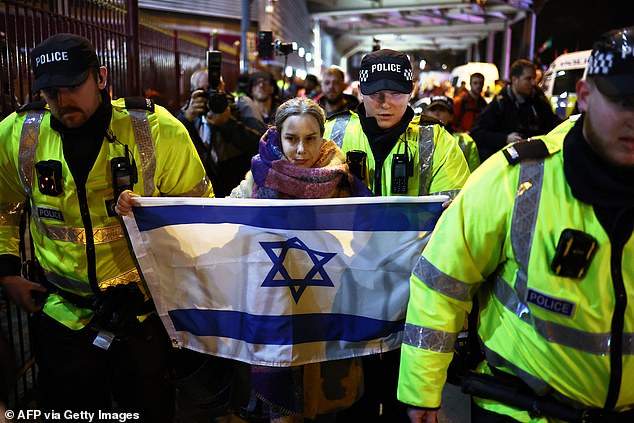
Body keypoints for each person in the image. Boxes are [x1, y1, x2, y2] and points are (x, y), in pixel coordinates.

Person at [398, 26, 634, 423]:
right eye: (624, 101)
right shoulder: (514, 179)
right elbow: (441, 282)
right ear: (586, 95)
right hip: (520, 410)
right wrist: (422, 390)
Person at [0, 33, 213, 421]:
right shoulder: (18, 135)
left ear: (100, 77)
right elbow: (3, 207)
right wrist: (7, 273)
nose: (62, 101)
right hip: (61, 313)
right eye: (50, 92)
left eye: (72, 86)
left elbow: (200, 213)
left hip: (143, 314)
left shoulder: (155, 129)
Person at [324, 49, 470, 422]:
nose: (385, 102)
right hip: (347, 294)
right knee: (348, 406)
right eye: (376, 92)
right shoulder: (333, 133)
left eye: (396, 92)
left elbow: (455, 222)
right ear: (360, 91)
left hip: (410, 301)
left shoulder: (439, 143)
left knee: (399, 404)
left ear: (413, 90)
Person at [176, 69, 266, 197]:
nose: (210, 95)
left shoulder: (240, 106)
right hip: (201, 196)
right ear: (193, 92)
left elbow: (261, 144)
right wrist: (185, 119)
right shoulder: (188, 112)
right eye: (203, 91)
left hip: (236, 192)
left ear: (223, 88)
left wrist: (228, 124)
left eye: (214, 89)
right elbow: (172, 146)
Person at [470, 59, 562, 162]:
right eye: (528, 79)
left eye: (534, 79)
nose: (533, 83)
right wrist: (505, 139)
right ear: (514, 80)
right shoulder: (500, 103)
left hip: (536, 160)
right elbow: (476, 132)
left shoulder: (538, 100)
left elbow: (553, 123)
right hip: (509, 164)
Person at [423, 95, 480, 172]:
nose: (437, 113)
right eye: (433, 109)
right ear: (425, 113)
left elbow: (474, 173)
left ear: (451, 116)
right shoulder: (415, 138)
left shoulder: (466, 141)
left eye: (442, 110)